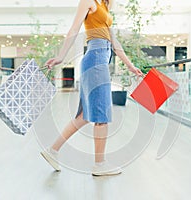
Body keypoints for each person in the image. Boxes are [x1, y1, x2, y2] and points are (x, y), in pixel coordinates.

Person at [41, 0, 143, 176]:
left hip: (102, 59)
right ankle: (99, 165)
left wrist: (131, 66)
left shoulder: (104, 6)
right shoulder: (89, 1)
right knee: (101, 114)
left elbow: (115, 44)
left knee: (83, 116)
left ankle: (52, 150)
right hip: (95, 59)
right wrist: (61, 56)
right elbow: (74, 29)